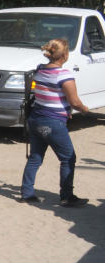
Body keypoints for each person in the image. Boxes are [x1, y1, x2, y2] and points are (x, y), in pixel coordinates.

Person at [20, 37, 90, 206]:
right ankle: (67, 196)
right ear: (65, 55)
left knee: (35, 157)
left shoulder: (40, 69)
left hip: (36, 119)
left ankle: (27, 193)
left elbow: (51, 96)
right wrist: (85, 110)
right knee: (68, 158)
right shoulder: (64, 75)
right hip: (53, 123)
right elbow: (74, 102)